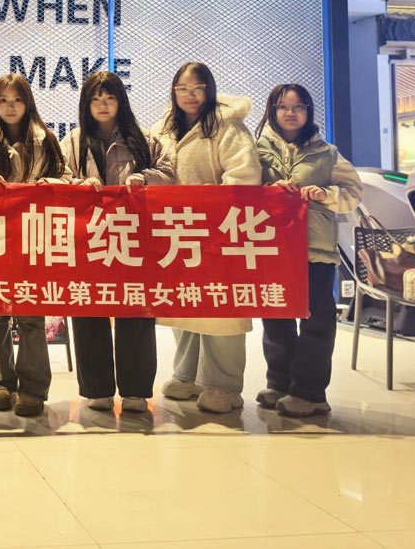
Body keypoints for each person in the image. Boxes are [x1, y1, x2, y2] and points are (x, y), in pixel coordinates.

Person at [152, 62, 262, 414]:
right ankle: (187, 375)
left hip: (220, 232)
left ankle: (224, 385)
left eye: (198, 88)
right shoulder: (164, 128)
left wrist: (212, 212)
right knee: (184, 303)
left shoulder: (228, 126)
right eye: (182, 89)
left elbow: (244, 176)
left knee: (221, 309)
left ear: (209, 90)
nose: (190, 95)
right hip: (178, 231)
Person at [63, 71, 174, 412]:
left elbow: (170, 174)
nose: (103, 105)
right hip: (88, 238)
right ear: (86, 104)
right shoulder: (74, 140)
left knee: (136, 310)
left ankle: (136, 391)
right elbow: (60, 177)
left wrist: (145, 177)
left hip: (134, 238)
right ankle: (96, 390)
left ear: (120, 101)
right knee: (88, 308)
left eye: (110, 98)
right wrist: (79, 185)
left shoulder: (144, 139)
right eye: (96, 99)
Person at [255, 84, 362, 416]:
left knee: (317, 317)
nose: (291, 113)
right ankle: (280, 383)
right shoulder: (256, 151)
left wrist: (325, 194)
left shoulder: (327, 153)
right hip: (271, 245)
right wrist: (269, 190)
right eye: (283, 106)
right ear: (272, 110)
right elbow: (242, 191)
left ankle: (310, 392)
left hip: (315, 247)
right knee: (276, 315)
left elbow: (353, 193)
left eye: (298, 106)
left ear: (308, 111)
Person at [0, 73, 67, 417]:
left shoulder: (45, 139)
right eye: (3, 100)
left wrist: (51, 183)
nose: (10, 107)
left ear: (28, 103)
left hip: (32, 235)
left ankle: (33, 388)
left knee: (31, 314)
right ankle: (2, 383)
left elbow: (66, 175)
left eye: (17, 100)